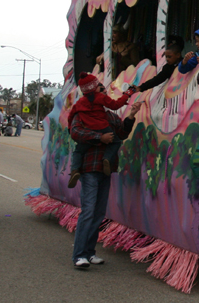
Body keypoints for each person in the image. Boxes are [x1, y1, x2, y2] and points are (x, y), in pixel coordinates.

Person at [70, 101, 141, 268]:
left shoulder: (109, 116)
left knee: (99, 212)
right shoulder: (82, 115)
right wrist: (98, 137)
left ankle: (89, 252)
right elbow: (75, 132)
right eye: (100, 91)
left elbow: (122, 133)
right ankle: (79, 255)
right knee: (88, 211)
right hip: (89, 169)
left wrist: (131, 115)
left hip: (105, 170)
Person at [67, 73, 135, 188]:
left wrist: (131, 116)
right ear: (95, 88)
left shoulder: (80, 104)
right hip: (91, 164)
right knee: (116, 142)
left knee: (78, 150)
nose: (105, 91)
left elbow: (71, 116)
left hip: (89, 132)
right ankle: (107, 159)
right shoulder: (100, 98)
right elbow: (116, 104)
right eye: (100, 87)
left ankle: (74, 170)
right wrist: (127, 94)